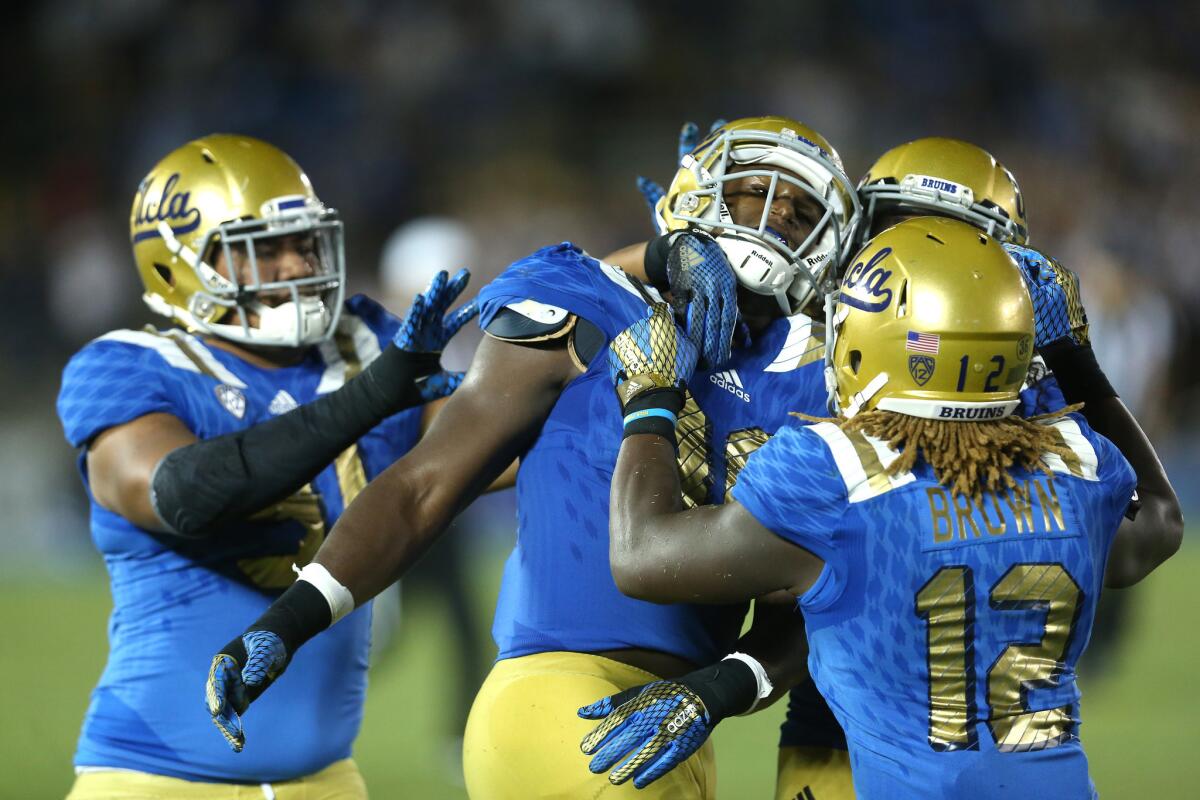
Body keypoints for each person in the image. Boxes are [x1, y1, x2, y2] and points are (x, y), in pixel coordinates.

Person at [204, 116, 862, 798]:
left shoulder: (824, 381)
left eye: (806, 208)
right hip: (553, 697)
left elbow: (806, 608)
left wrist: (717, 690)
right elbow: (427, 483)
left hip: (677, 726)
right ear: (700, 195)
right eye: (758, 190)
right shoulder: (589, 301)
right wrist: (288, 621)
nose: (782, 212)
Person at [581, 216, 1182, 799]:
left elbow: (643, 556)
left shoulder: (840, 471)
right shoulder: (1076, 462)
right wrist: (1076, 357)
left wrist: (650, 400)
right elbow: (1160, 521)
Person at [56, 134, 476, 799]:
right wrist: (367, 399)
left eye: (304, 243)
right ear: (178, 266)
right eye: (263, 249)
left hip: (329, 781)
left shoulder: (363, 345)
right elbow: (182, 493)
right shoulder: (130, 368)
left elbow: (498, 449)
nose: (293, 266)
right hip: (152, 781)